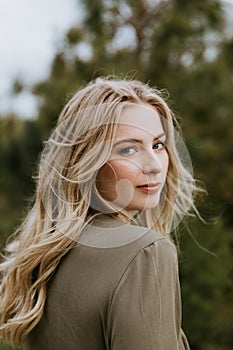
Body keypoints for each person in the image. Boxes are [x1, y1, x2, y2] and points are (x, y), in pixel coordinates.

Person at [0, 77, 202, 349]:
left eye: (158, 145)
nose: (154, 165)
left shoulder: (43, 259)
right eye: (128, 149)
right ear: (86, 162)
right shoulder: (145, 252)